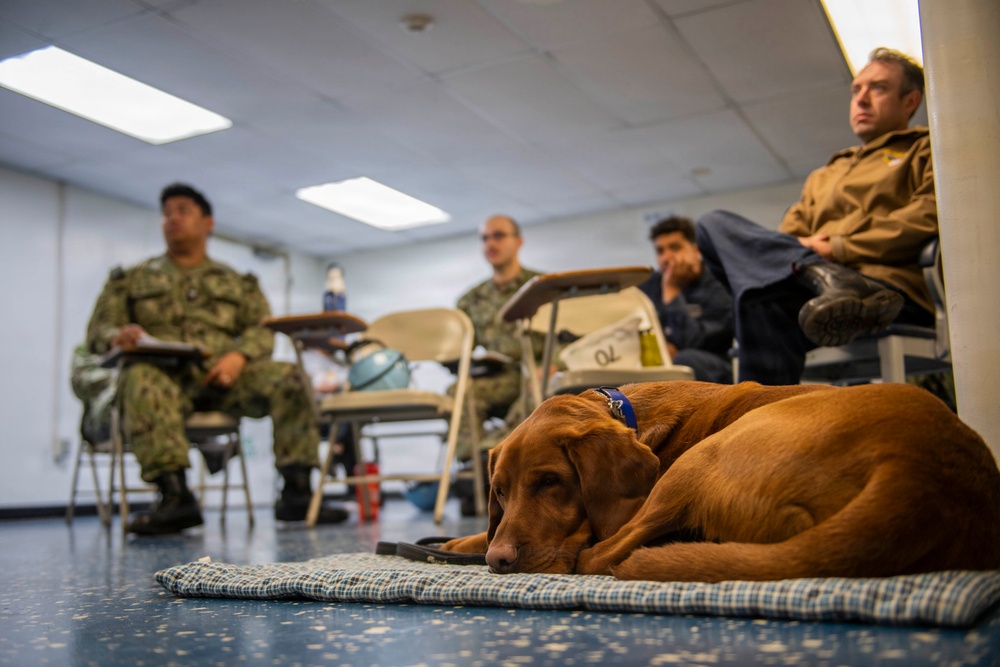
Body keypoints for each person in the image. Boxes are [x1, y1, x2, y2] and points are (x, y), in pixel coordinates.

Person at [85, 183, 348, 535]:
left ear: (208, 222)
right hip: (163, 380)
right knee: (139, 376)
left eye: (183, 211)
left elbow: (261, 329)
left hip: (226, 378)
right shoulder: (130, 280)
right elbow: (98, 330)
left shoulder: (236, 282)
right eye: (166, 213)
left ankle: (297, 492)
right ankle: (175, 495)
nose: (172, 219)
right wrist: (118, 336)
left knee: (289, 376)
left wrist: (239, 357)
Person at [695, 47, 936, 385]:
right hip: (818, 293)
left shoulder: (925, 149)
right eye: (856, 90)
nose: (862, 99)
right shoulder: (824, 175)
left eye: (877, 88)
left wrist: (836, 248)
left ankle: (758, 425)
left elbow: (929, 214)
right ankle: (823, 276)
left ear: (910, 101)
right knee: (711, 224)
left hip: (887, 290)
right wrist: (809, 255)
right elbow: (784, 240)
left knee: (759, 297)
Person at [455, 215, 542, 459]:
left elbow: (566, 337)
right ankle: (471, 464)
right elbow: (460, 349)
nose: (490, 244)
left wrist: (554, 364)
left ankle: (500, 453)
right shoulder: (471, 300)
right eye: (485, 238)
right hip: (498, 377)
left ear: (518, 242)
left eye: (499, 236)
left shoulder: (541, 287)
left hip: (538, 372)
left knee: (539, 388)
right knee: (459, 390)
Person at [637, 216, 734, 383]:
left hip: (711, 366)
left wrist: (672, 290)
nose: (666, 257)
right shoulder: (648, 287)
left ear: (696, 250)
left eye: (675, 248)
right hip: (663, 364)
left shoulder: (718, 285)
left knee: (686, 360)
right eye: (660, 251)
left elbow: (695, 342)